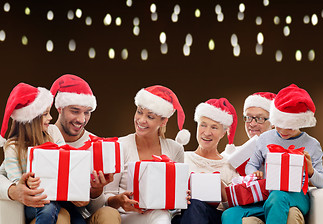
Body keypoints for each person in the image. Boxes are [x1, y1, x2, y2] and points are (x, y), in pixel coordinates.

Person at [222, 84, 323, 224]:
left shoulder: (312, 144)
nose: (283, 131)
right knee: (229, 214)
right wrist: (254, 174)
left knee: (277, 197)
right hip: (266, 195)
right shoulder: (265, 138)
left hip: (297, 196)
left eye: (289, 126)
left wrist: (310, 171)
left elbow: (322, 183)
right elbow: (251, 165)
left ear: (301, 122)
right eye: (278, 123)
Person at [104, 85, 187, 224]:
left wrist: (182, 196)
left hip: (159, 216)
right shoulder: (119, 146)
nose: (141, 120)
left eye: (150, 116)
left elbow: (177, 205)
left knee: (162, 217)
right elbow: (107, 197)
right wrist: (119, 200)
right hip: (124, 216)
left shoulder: (175, 149)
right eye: (139, 112)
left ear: (163, 121)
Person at [49, 74, 121, 224]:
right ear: (59, 108)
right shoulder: (41, 136)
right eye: (75, 111)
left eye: (87, 112)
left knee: (109, 214)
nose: (81, 119)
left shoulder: (96, 146)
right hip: (50, 213)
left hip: (82, 216)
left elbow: (96, 208)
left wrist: (96, 192)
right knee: (61, 218)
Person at [1, 83, 70, 223]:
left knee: (77, 218)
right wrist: (27, 183)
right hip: (35, 200)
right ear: (30, 120)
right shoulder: (13, 147)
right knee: (47, 207)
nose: (51, 118)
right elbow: (16, 182)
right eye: (45, 114)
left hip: (59, 195)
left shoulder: (52, 132)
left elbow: (66, 159)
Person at [171, 97, 239, 224]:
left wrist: (220, 186)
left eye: (214, 127)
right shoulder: (182, 158)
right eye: (203, 125)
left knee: (196, 205)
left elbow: (234, 209)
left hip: (214, 218)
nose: (207, 132)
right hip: (183, 216)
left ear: (223, 133)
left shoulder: (229, 165)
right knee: (192, 206)